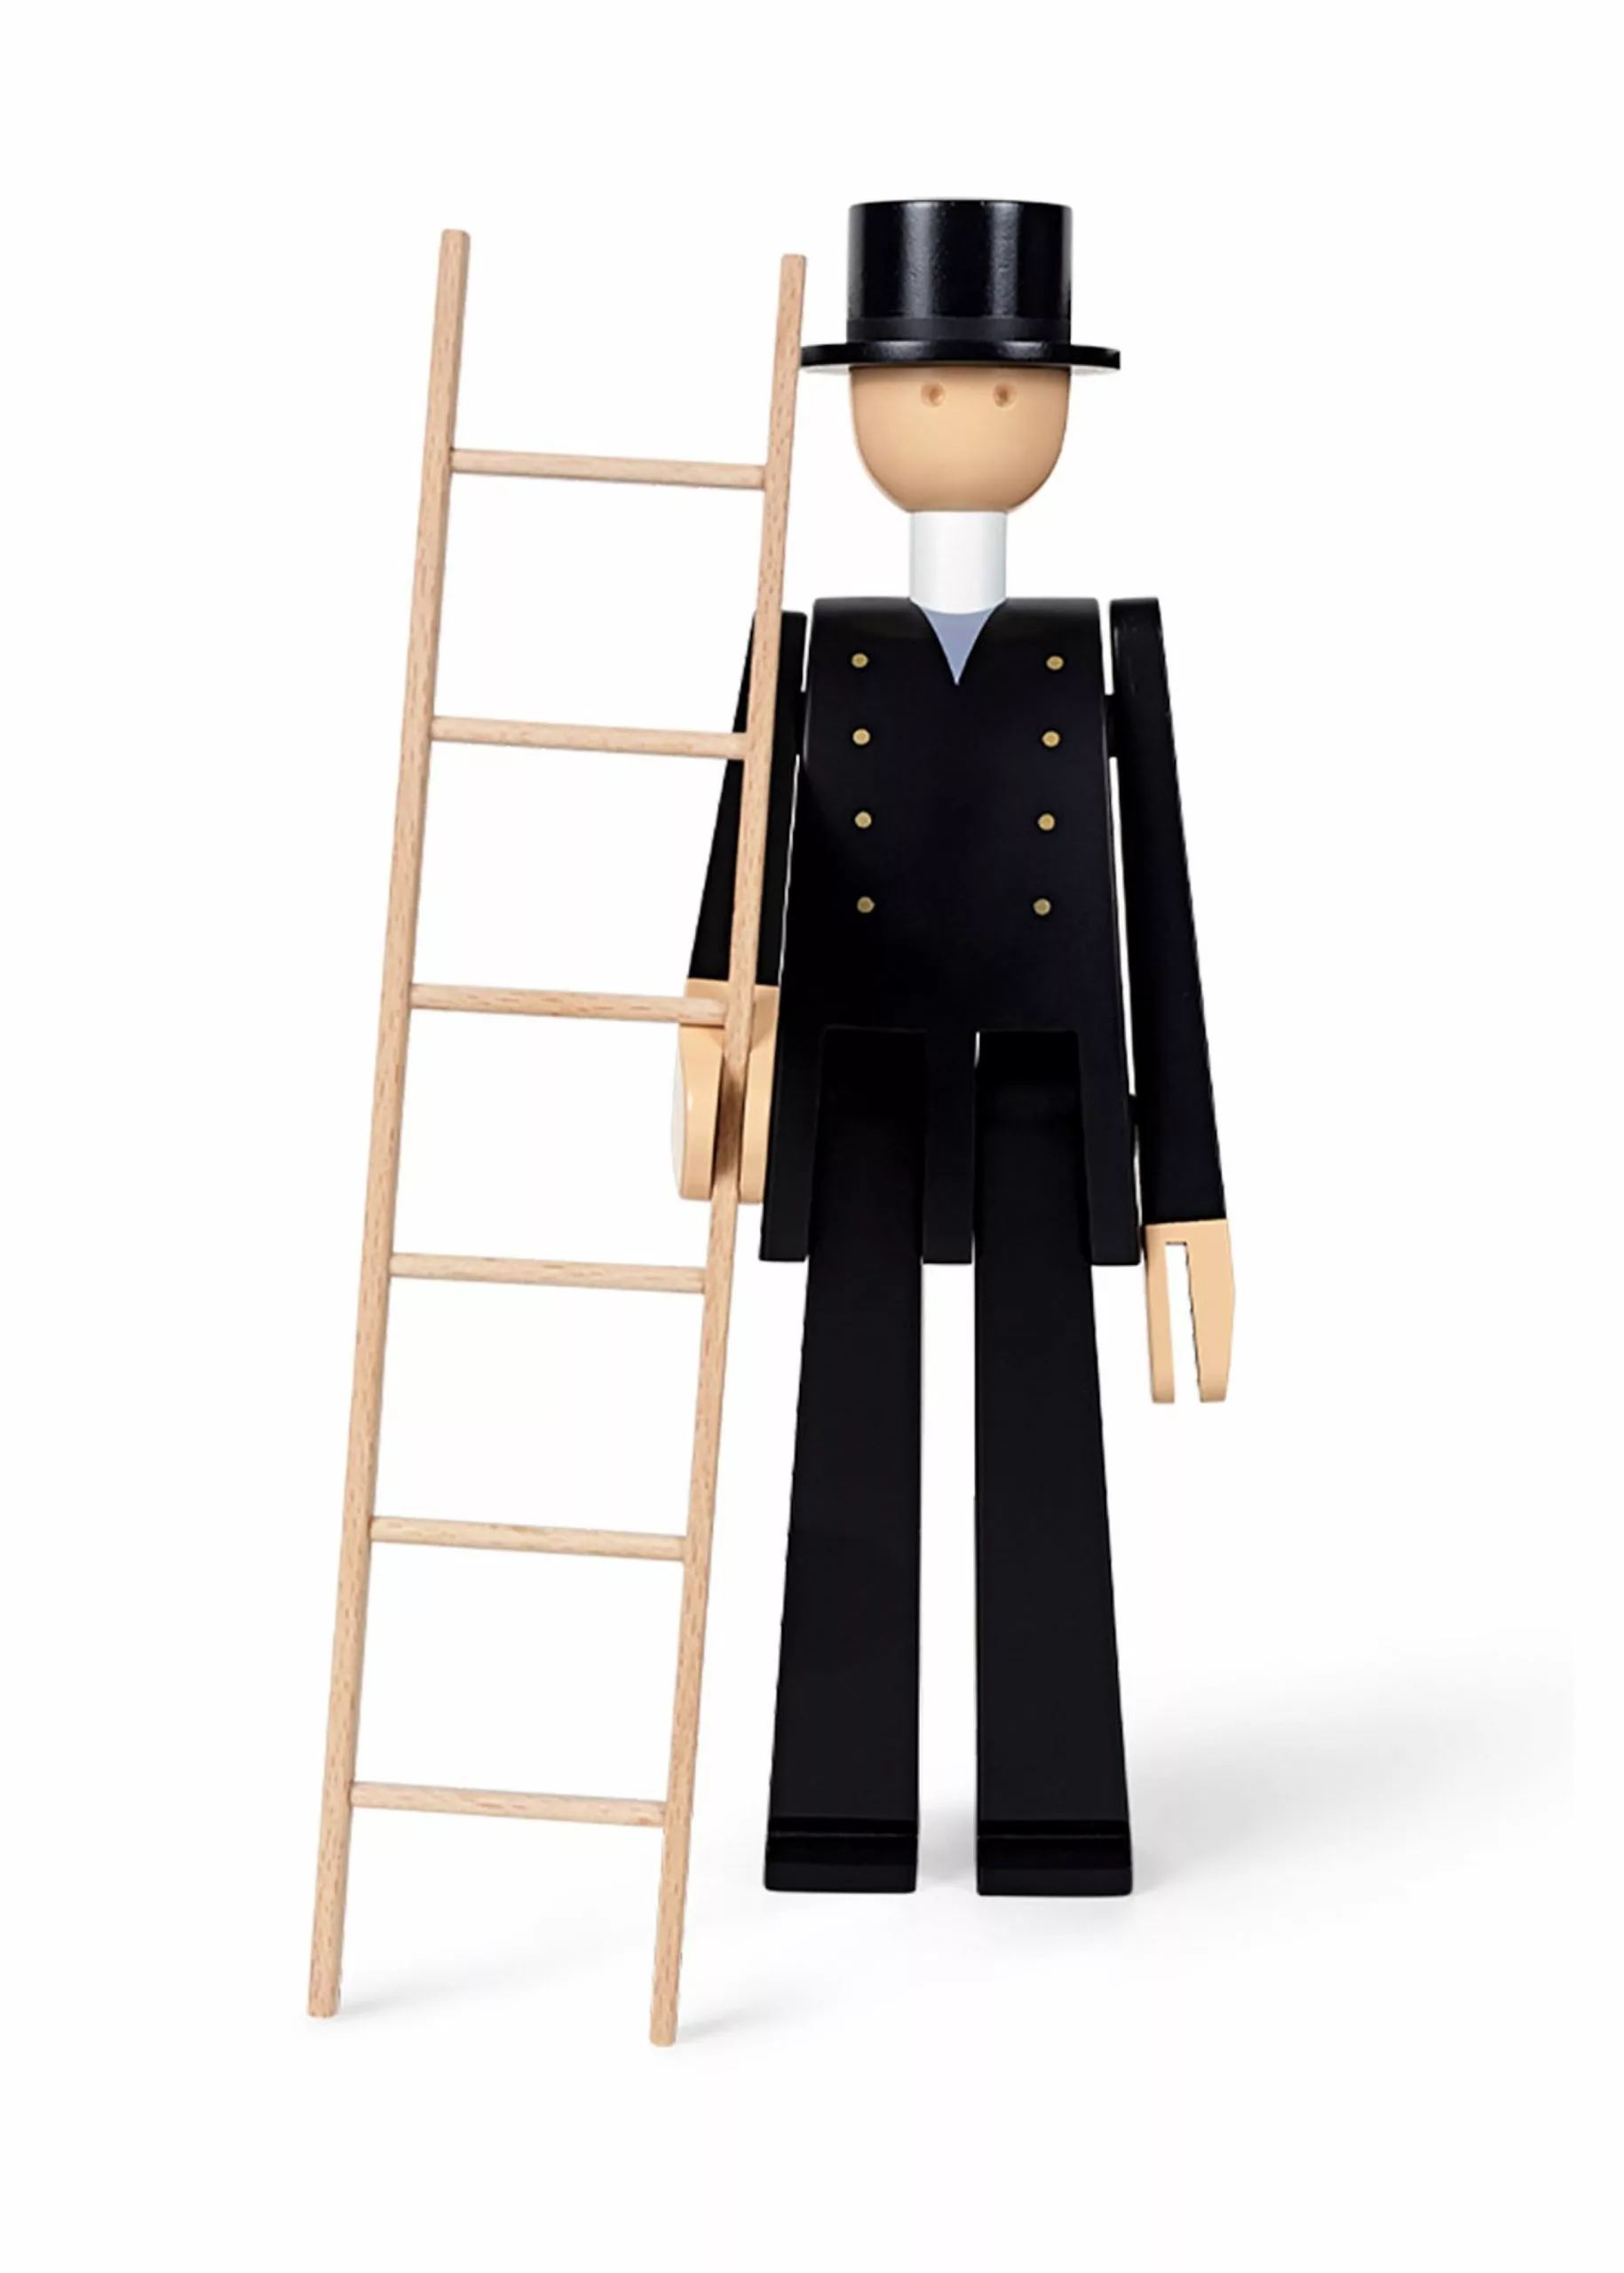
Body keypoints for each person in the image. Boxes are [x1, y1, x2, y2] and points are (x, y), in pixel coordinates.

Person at [677, 199, 1232, 1897]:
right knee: (847, 1425)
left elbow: (1161, 918)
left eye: (1006, 383)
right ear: (863, 402)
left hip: (1048, 1088)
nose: (968, 411)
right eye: (925, 382)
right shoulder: (807, 650)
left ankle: (1058, 1802)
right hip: (853, 1081)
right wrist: (711, 1039)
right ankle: (832, 1800)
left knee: (1045, 1428)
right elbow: (741, 870)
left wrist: (1189, 1189)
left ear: (1056, 401)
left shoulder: (1101, 650)